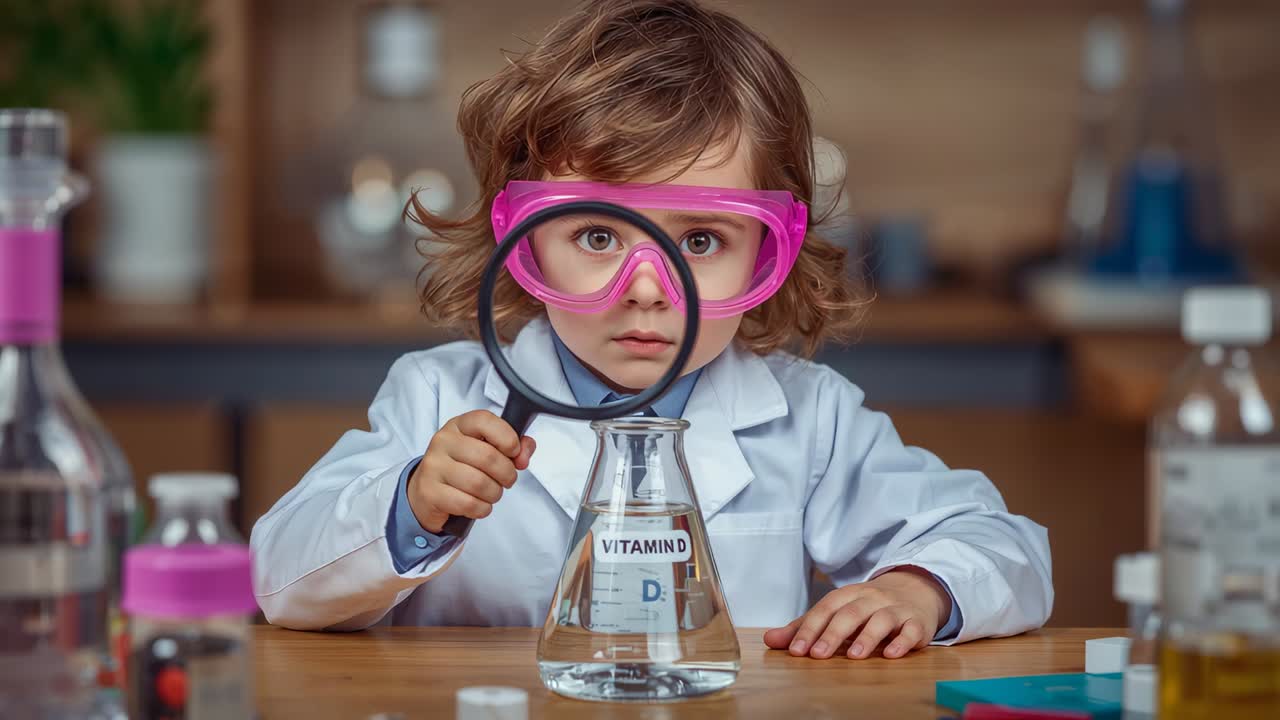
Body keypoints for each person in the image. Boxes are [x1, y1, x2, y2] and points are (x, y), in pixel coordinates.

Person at [250, 0, 1052, 661]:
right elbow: (282, 578)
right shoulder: (437, 399)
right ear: (526, 239)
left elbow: (1004, 546)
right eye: (598, 237)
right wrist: (411, 507)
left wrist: (917, 589)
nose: (645, 291)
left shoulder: (810, 421)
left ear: (766, 253)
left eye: (699, 242)